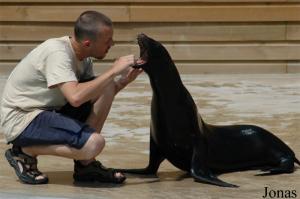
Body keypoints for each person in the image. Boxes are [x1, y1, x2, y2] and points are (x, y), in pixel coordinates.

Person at [0, 10, 143, 184]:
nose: (112, 44)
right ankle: (23, 151)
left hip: (50, 111)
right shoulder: (57, 53)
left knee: (105, 85)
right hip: (22, 119)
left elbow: (91, 95)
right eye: (107, 41)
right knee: (94, 144)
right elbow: (75, 97)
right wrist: (113, 70)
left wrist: (122, 81)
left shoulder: (84, 57)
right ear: (88, 43)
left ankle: (85, 165)